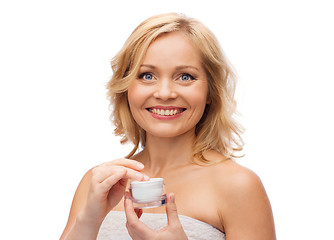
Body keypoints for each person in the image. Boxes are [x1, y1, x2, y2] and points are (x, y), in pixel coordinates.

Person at [60, 13, 276, 240]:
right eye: (147, 75)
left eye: (185, 77)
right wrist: (88, 221)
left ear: (210, 91)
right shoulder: (99, 183)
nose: (164, 93)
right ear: (126, 87)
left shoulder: (238, 186)